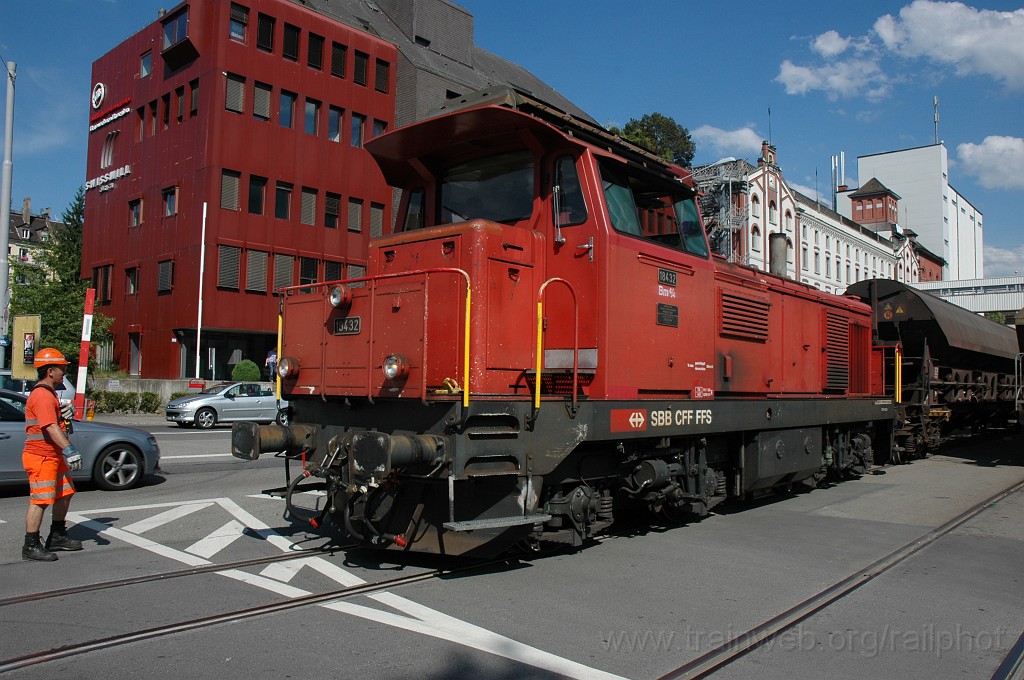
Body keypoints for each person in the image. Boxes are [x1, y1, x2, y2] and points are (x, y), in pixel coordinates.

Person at [21, 348, 83, 562]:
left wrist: (65, 415)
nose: (64, 372)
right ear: (50, 371)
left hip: (52, 456)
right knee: (40, 500)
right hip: (41, 457)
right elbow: (49, 427)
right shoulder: (42, 396)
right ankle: (30, 544)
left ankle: (57, 535)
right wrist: (70, 449)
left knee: (65, 493)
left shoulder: (49, 394)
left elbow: (56, 424)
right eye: (62, 368)